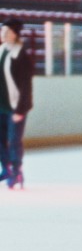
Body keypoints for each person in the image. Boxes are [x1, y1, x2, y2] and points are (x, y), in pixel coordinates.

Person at [0, 18, 33, 190]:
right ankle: (6, 168)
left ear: (14, 34)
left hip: (15, 107)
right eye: (1, 31)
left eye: (6, 31)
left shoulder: (21, 55)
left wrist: (20, 109)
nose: (2, 34)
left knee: (14, 141)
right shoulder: (1, 51)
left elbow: (26, 85)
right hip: (0, 106)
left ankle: (16, 171)